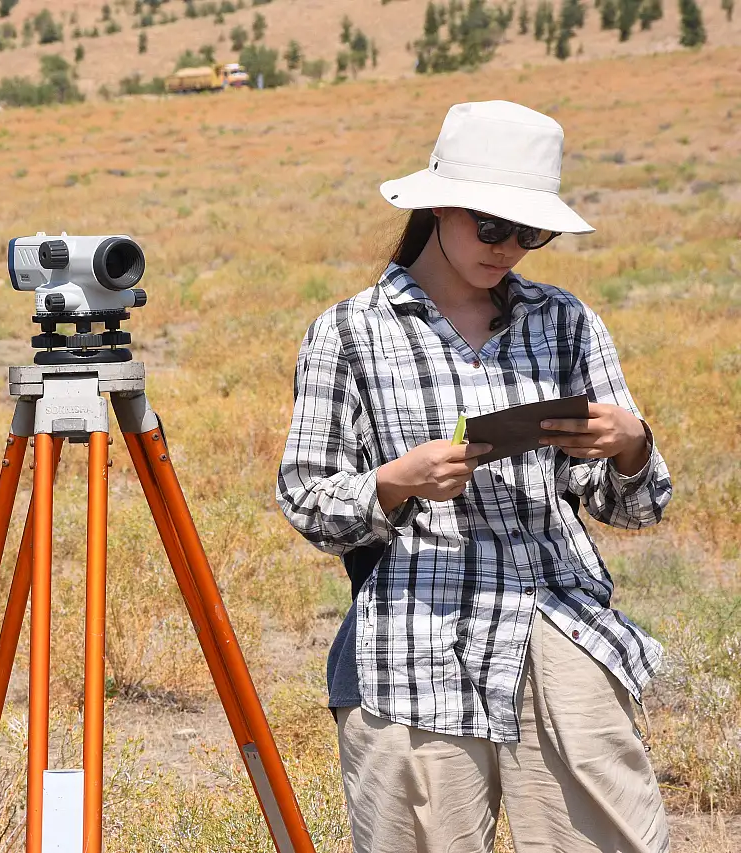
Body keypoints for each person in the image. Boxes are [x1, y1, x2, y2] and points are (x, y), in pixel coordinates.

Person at [276, 100, 672, 853]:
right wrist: (394, 481)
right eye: (491, 226)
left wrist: (629, 443)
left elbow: (636, 505)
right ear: (436, 208)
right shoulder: (350, 332)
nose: (510, 248)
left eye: (532, 232)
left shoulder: (567, 322)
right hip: (410, 640)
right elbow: (306, 496)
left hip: (557, 628)